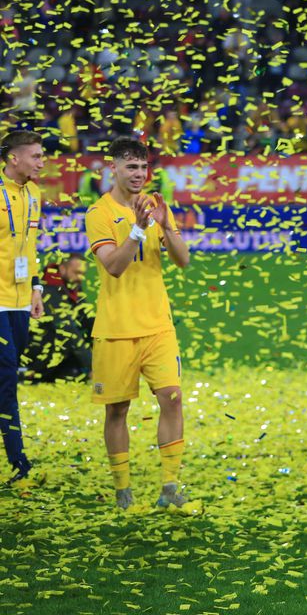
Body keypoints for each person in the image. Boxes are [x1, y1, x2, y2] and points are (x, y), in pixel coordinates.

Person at [86, 137, 195, 512]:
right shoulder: (98, 212)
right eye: (130, 167)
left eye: (143, 167)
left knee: (172, 398)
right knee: (116, 410)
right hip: (115, 328)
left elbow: (183, 261)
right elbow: (114, 267)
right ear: (113, 168)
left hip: (157, 325)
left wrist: (166, 225)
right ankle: (123, 490)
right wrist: (136, 229)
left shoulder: (155, 207)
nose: (138, 174)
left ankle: (170, 486)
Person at [0, 130, 44, 488]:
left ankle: (17, 457)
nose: (42, 162)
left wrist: (37, 288)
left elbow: (31, 246)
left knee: (7, 379)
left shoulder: (34, 193)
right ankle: (19, 459)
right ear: (13, 158)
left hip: (19, 303)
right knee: (7, 379)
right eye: (36, 156)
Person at [25, 253, 92, 382]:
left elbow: (86, 319)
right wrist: (92, 367)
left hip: (59, 352)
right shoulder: (48, 288)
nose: (80, 278)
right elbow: (66, 328)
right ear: (62, 269)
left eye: (83, 274)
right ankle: (33, 374)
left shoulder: (72, 286)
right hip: (38, 351)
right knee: (65, 333)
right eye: (77, 273)